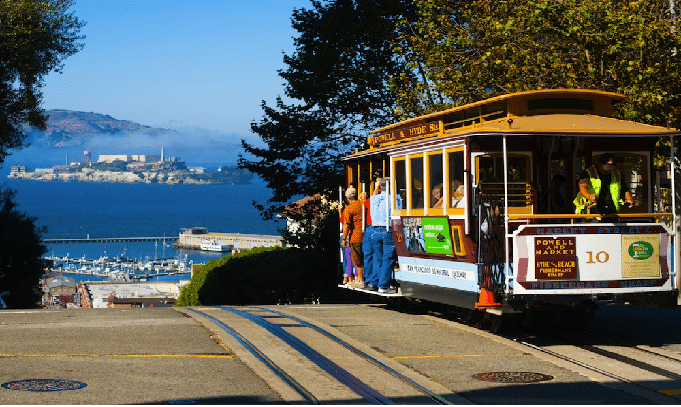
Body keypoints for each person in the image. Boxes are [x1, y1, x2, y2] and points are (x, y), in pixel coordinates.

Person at [369, 178, 398, 294]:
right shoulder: (394, 199)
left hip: (375, 230)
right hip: (388, 230)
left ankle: (375, 282)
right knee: (388, 258)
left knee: (378, 258)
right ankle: (383, 286)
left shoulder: (374, 198)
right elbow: (398, 213)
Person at [342, 187, 364, 288]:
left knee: (357, 259)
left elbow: (346, 225)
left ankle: (361, 280)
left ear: (347, 198)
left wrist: (344, 238)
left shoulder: (349, 208)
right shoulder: (362, 204)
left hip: (355, 236)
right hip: (366, 234)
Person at [361, 187, 378, 291]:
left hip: (370, 228)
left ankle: (368, 280)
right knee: (376, 255)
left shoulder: (370, 202)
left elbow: (366, 203)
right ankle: (373, 281)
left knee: (369, 255)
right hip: (376, 227)